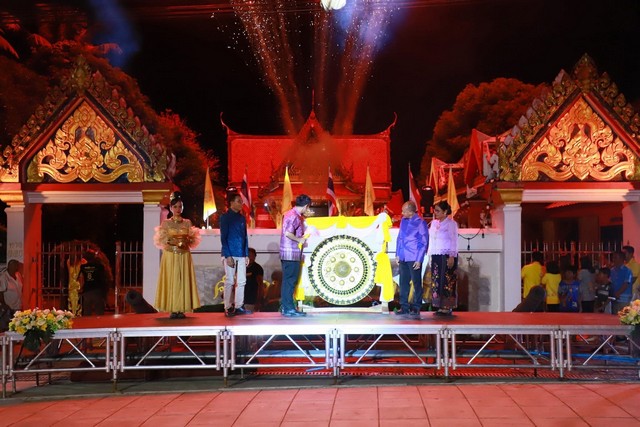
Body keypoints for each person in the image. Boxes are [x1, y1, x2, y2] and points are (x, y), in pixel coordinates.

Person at [154, 191, 201, 319]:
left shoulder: (187, 223)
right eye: (175, 207)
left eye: (180, 206)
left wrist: (185, 242)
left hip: (184, 255)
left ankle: (181, 308)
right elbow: (162, 240)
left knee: (183, 281)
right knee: (172, 280)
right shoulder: (166, 223)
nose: (178, 209)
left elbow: (192, 239)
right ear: (170, 208)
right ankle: (173, 309)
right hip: (171, 255)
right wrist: (174, 242)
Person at [220, 193, 252, 317]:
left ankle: (239, 306)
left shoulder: (242, 218)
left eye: (241, 201)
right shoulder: (225, 217)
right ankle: (228, 307)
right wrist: (227, 255)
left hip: (241, 253)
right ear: (231, 203)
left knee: (242, 281)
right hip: (230, 253)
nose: (241, 204)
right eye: (238, 201)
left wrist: (246, 254)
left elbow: (245, 237)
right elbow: (223, 238)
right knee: (229, 280)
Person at [279, 194, 311, 317]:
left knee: (288, 281)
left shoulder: (292, 214)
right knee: (290, 281)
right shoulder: (294, 216)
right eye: (308, 207)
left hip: (289, 253)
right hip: (291, 253)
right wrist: (300, 240)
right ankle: (288, 308)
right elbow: (288, 233)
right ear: (306, 206)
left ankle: (287, 307)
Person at [395, 201, 428, 318]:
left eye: (404, 211)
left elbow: (424, 242)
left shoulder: (420, 223)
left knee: (416, 282)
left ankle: (416, 306)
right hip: (403, 256)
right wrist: (397, 254)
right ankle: (404, 307)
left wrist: (419, 259)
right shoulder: (403, 221)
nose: (402, 213)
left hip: (414, 256)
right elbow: (399, 238)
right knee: (403, 282)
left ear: (410, 211)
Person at [427, 201, 458, 316]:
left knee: (446, 280)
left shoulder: (451, 224)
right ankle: (439, 305)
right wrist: (430, 254)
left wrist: (452, 256)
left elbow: (454, 240)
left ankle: (447, 306)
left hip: (446, 255)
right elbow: (431, 239)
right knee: (436, 279)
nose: (435, 213)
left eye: (438, 211)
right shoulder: (434, 223)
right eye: (435, 210)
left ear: (445, 212)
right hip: (436, 255)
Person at [79, 251, 107, 316]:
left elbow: (81, 278)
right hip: (97, 290)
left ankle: (87, 322)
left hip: (87, 290)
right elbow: (103, 279)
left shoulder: (83, 267)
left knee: (87, 312)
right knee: (99, 311)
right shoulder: (99, 266)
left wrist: (80, 289)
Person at [244, 248, 264, 312]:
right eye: (249, 255)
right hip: (240, 299)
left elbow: (260, 285)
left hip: (252, 300)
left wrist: (258, 301)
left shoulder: (257, 268)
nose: (251, 258)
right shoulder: (240, 267)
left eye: (253, 256)